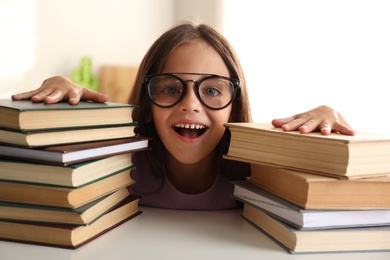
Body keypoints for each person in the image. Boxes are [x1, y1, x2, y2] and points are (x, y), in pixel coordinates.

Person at [11, 22, 355, 210]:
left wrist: (324, 120)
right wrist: (56, 103)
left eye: (212, 90)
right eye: (171, 88)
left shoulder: (261, 177)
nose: (191, 104)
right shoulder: (115, 169)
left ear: (235, 104)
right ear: (146, 103)